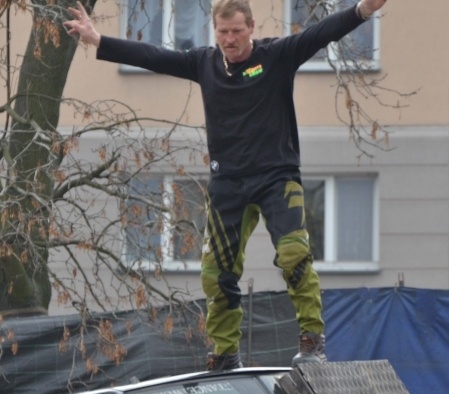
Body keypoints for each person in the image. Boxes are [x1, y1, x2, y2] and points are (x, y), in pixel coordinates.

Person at [64, 0, 388, 369]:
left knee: (294, 256)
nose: (230, 40)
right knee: (216, 274)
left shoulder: (277, 55)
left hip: (276, 178)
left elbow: (321, 33)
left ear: (250, 27)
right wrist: (99, 40)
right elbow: (154, 56)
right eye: (223, 32)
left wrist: (362, 10)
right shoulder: (204, 63)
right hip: (228, 184)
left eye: (236, 32)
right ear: (214, 31)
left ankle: (312, 340)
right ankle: (224, 352)